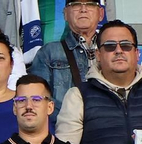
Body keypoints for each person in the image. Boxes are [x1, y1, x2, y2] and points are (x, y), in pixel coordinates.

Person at [26, 0, 102, 128]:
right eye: (76, 5)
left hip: (105, 128)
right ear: (65, 14)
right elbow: (38, 98)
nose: (83, 9)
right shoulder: (48, 52)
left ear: (101, 13)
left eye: (90, 4)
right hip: (62, 130)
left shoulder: (113, 50)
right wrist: (69, 120)